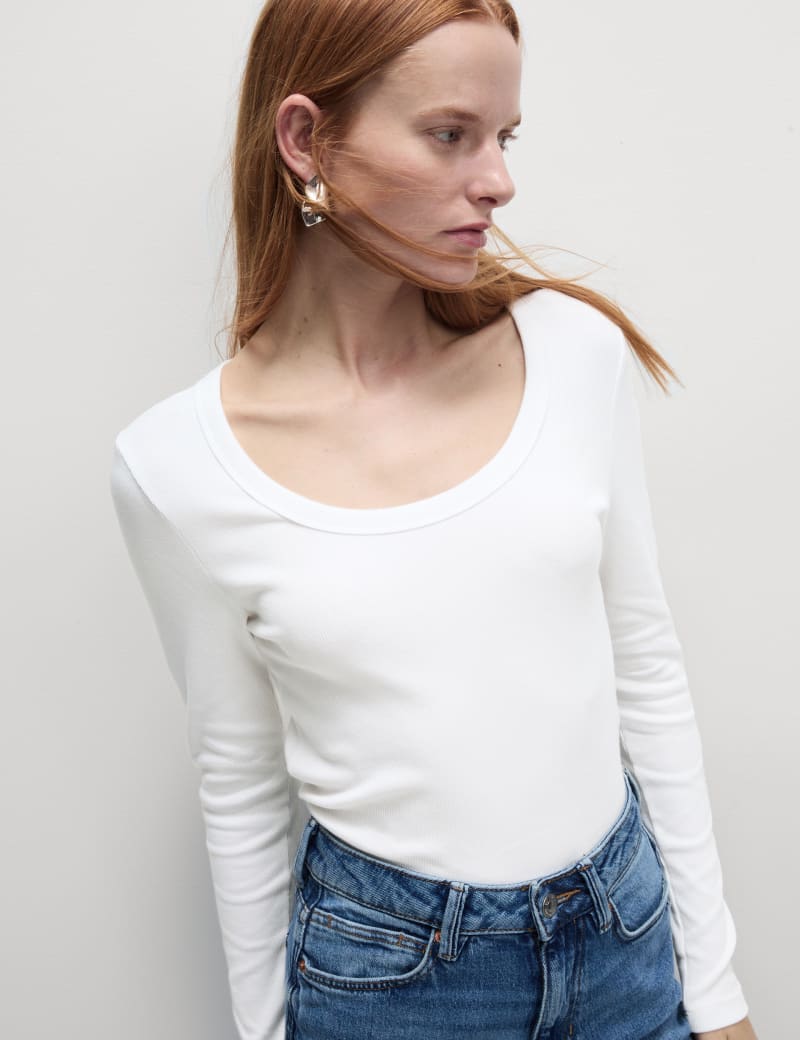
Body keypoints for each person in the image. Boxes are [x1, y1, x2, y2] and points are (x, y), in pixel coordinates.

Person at [109, 2, 759, 1038]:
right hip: (393, 985)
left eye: (503, 137)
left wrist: (716, 994)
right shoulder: (177, 468)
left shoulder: (570, 352)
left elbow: (645, 663)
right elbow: (239, 780)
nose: (497, 180)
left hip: (625, 941)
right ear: (305, 140)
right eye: (450, 134)